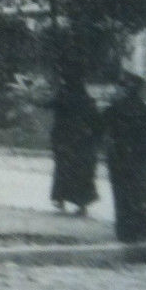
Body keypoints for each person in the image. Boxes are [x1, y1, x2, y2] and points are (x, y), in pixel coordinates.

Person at [103, 70, 146, 242]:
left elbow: (99, 129)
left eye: (119, 87)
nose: (116, 90)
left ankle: (127, 231)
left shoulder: (113, 110)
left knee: (122, 194)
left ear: (126, 90)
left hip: (119, 158)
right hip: (141, 159)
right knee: (142, 192)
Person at [49, 57, 102, 215]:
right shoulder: (84, 97)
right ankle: (81, 203)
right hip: (82, 140)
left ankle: (61, 198)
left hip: (65, 138)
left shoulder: (63, 94)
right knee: (81, 171)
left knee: (63, 169)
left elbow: (51, 104)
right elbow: (96, 119)